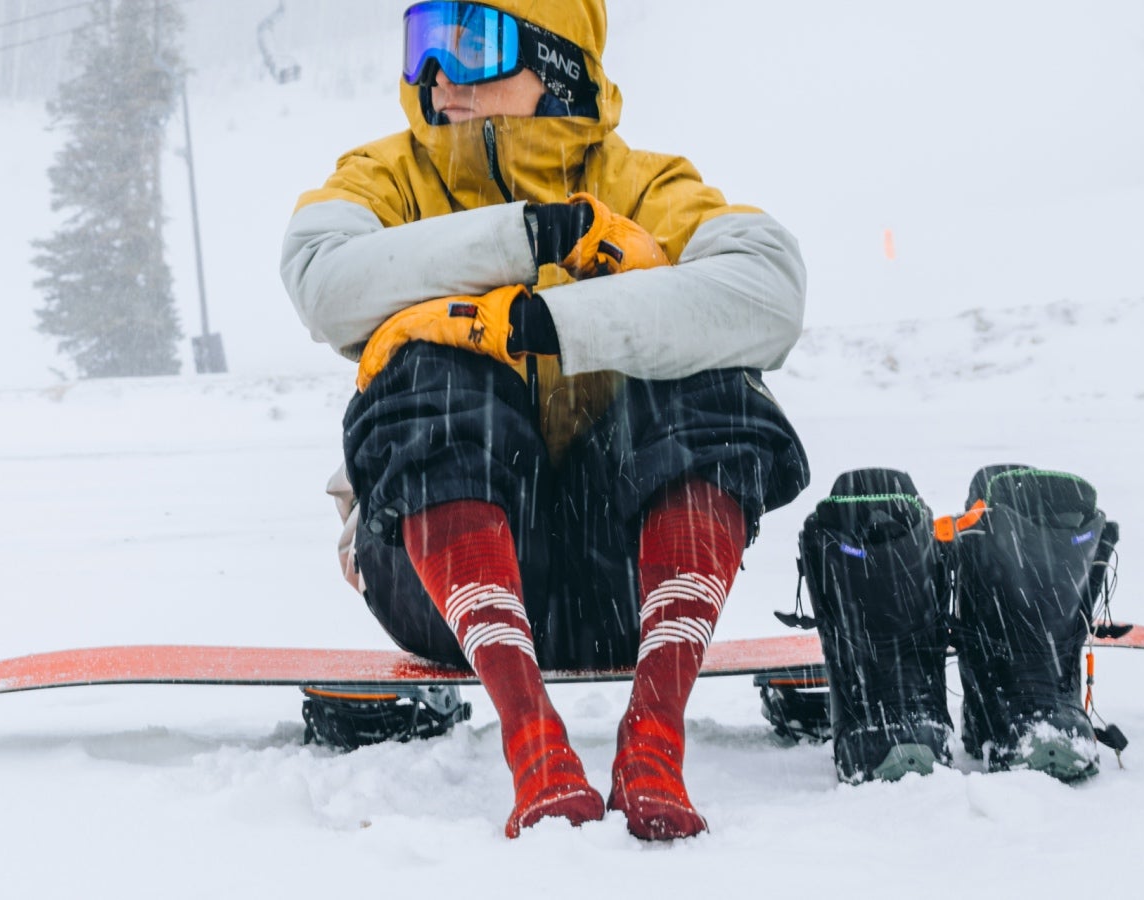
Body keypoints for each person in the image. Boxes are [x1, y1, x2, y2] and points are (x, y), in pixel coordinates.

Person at [280, 0, 810, 841]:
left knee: (708, 374)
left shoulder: (645, 184)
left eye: (471, 43)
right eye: (424, 43)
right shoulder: (386, 175)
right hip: (431, 589)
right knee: (431, 369)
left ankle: (655, 739)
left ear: (556, 63)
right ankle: (534, 746)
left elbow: (768, 290)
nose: (437, 77)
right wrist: (531, 239)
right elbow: (322, 279)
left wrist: (551, 325)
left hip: (622, 581)